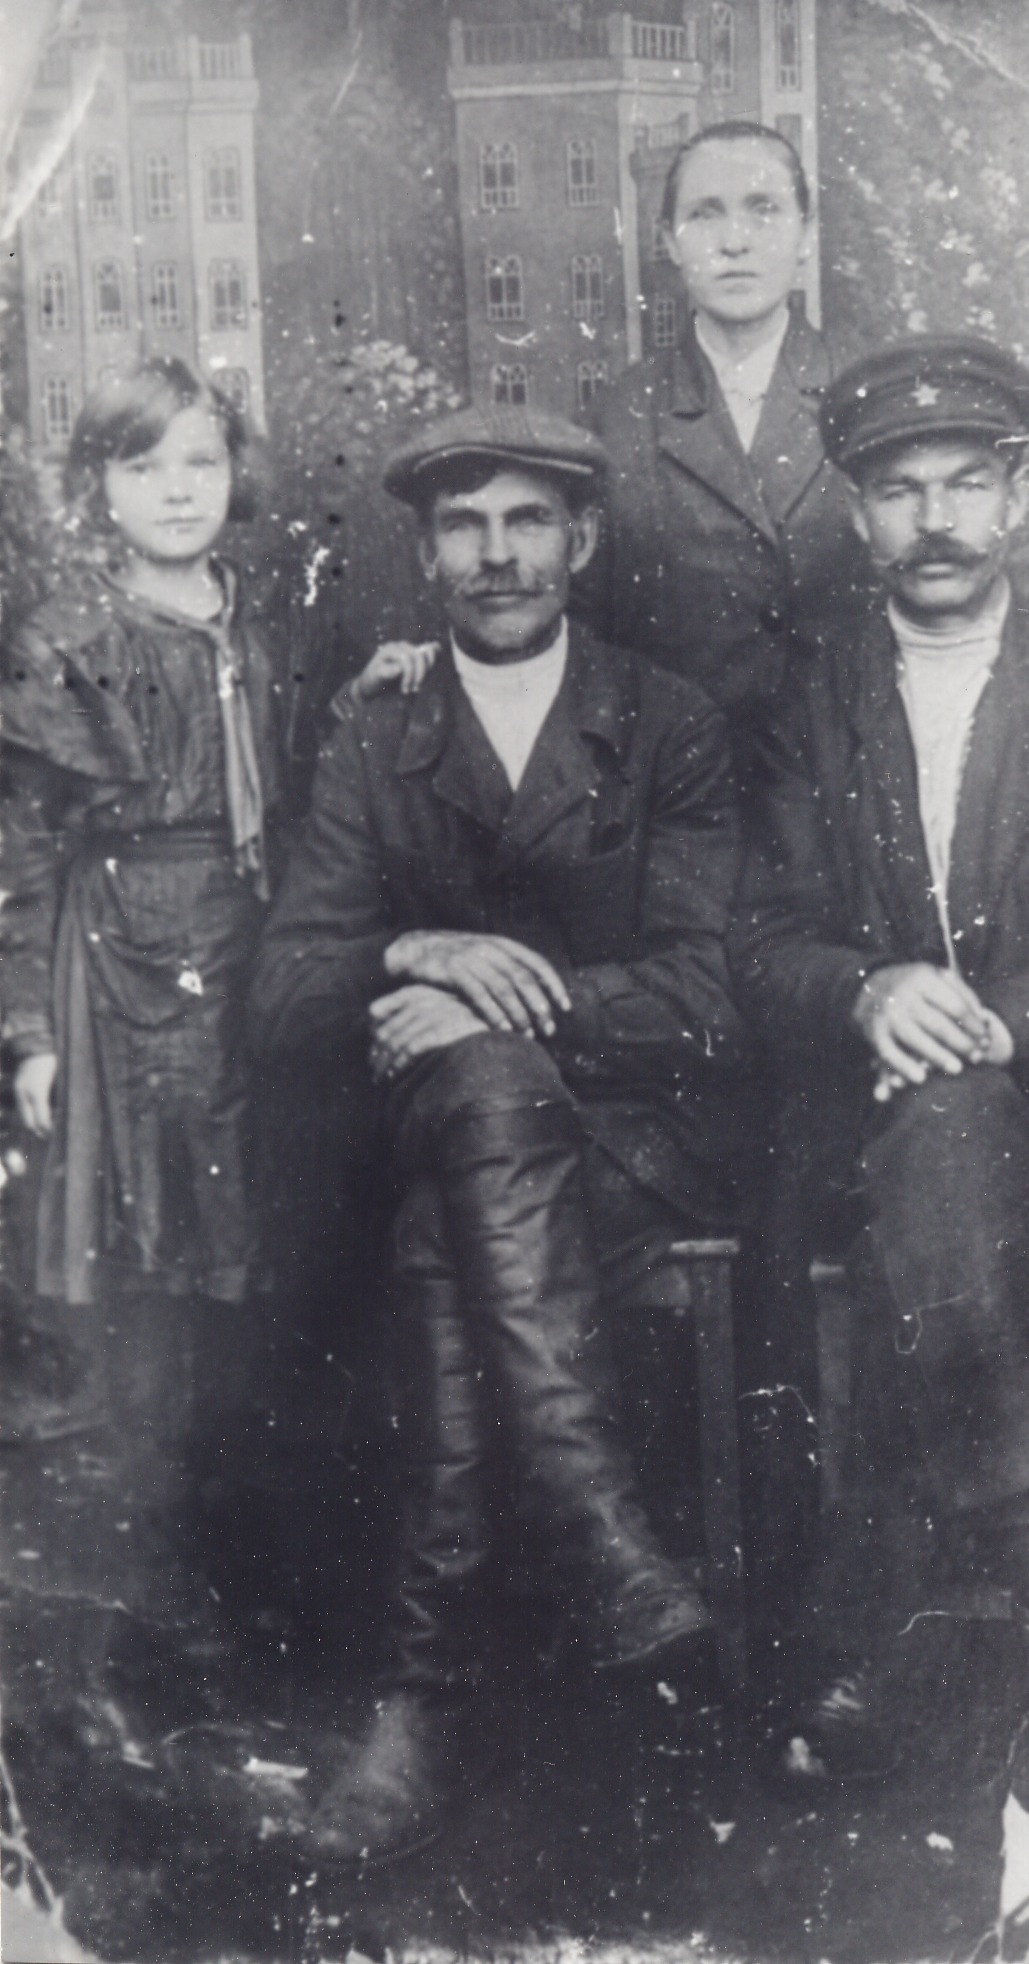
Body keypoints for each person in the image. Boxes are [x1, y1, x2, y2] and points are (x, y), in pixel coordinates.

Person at [249, 403, 745, 1859]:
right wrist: (412, 952)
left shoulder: (667, 722)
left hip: (628, 1149)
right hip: (457, 1144)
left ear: (580, 541)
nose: (497, 553)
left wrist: (498, 1004)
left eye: (528, 520)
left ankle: (426, 1691)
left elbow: (707, 993)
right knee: (470, 1115)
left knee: (452, 1200)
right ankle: (612, 1553)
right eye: (463, 526)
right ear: (425, 554)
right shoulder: (378, 726)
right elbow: (284, 989)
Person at [731, 335, 1029, 1793]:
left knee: (955, 1122)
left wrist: (1003, 1025)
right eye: (899, 490)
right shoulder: (803, 701)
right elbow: (755, 937)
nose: (933, 520)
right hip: (866, 1122)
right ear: (857, 512)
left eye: (964, 484)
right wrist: (864, 989)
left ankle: (939, 1617)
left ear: (1019, 497)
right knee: (939, 1130)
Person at [0, 357, 428, 1461]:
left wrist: (360, 694)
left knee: (264, 1194)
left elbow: (287, 762)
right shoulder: (65, 639)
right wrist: (31, 1033)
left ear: (237, 472)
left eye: (201, 461)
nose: (178, 490)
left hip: (257, 935)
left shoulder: (265, 615)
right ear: (98, 487)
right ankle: (157, 1488)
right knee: (151, 1221)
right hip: (122, 956)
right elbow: (24, 847)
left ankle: (261, 1482)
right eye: (142, 467)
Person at [590, 120, 872, 766]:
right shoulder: (619, 418)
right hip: (679, 784)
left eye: (764, 209)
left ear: (807, 234)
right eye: (704, 214)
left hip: (845, 776)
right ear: (668, 240)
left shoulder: (864, 396)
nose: (735, 242)